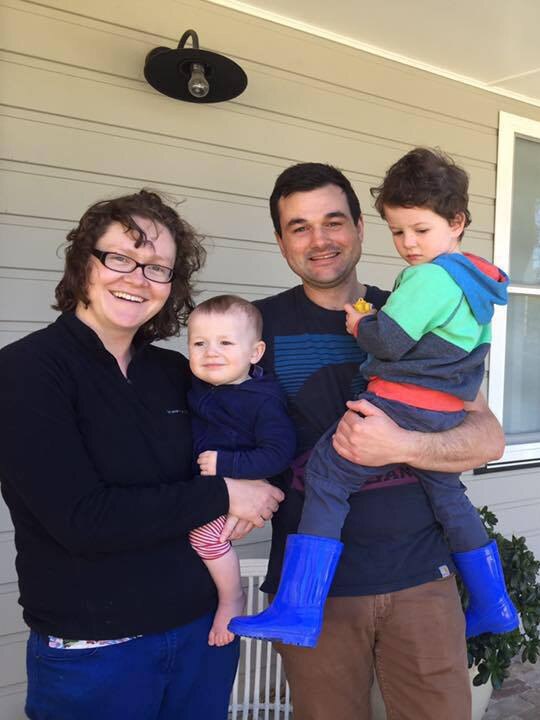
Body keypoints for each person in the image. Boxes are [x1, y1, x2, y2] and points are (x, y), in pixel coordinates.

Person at [229, 162, 505, 720]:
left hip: (423, 578)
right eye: (300, 226)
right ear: (281, 240)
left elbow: (487, 438)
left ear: (358, 226)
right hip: (322, 595)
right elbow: (225, 429)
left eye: (334, 221)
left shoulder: (413, 303)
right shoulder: (252, 328)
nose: (320, 239)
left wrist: (401, 445)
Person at [0, 190, 284, 720]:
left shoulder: (177, 373)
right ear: (83, 262)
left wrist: (258, 485)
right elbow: (84, 520)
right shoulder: (25, 373)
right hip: (96, 654)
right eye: (120, 258)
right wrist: (223, 491)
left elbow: (246, 431)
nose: (137, 278)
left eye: (157, 268)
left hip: (202, 634)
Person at [186, 294, 296, 646]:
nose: (210, 352)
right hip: (205, 489)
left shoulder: (262, 399)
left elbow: (279, 453)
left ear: (255, 353)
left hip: (234, 487)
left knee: (203, 538)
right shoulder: (199, 389)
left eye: (225, 343)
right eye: (199, 343)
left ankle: (231, 598)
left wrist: (227, 465)